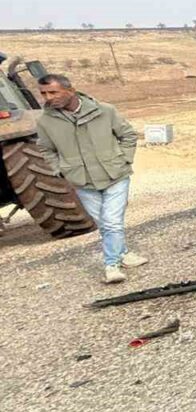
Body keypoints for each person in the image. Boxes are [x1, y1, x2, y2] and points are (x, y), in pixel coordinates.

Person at [34, 74, 147, 284]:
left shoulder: (104, 110)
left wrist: (123, 160)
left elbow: (128, 135)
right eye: (43, 93)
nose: (48, 97)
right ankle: (124, 254)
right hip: (82, 181)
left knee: (112, 222)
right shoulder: (45, 122)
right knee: (104, 223)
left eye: (53, 92)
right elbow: (46, 149)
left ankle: (111, 265)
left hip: (115, 175)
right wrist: (61, 170)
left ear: (70, 90)